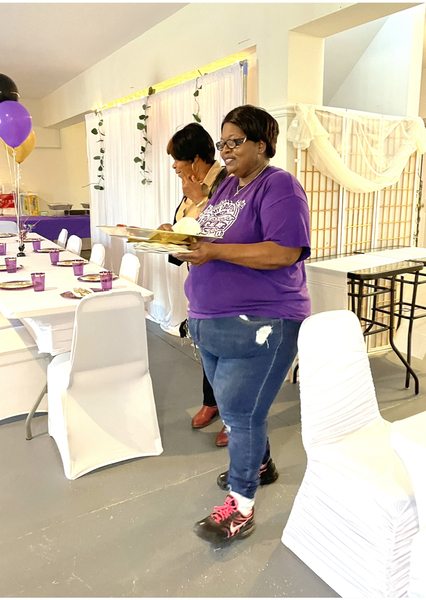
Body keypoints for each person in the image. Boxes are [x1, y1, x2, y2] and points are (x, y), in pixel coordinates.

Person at [171, 105, 311, 544]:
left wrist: (214, 252)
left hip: (262, 323)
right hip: (211, 321)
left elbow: (285, 251)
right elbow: (208, 238)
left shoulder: (279, 186)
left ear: (262, 144)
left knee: (240, 416)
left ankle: (240, 508)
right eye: (222, 143)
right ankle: (261, 465)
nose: (225, 150)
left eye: (235, 142)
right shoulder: (228, 188)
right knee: (239, 412)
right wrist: (175, 237)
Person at [166, 123, 229, 446]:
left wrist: (202, 198)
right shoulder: (192, 185)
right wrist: (167, 233)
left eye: (177, 160)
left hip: (226, 281)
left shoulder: (226, 182)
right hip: (200, 281)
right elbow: (188, 228)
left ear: (195, 159)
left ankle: (233, 418)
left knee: (227, 350)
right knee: (206, 344)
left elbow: (227, 228)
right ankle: (212, 401)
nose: (174, 167)